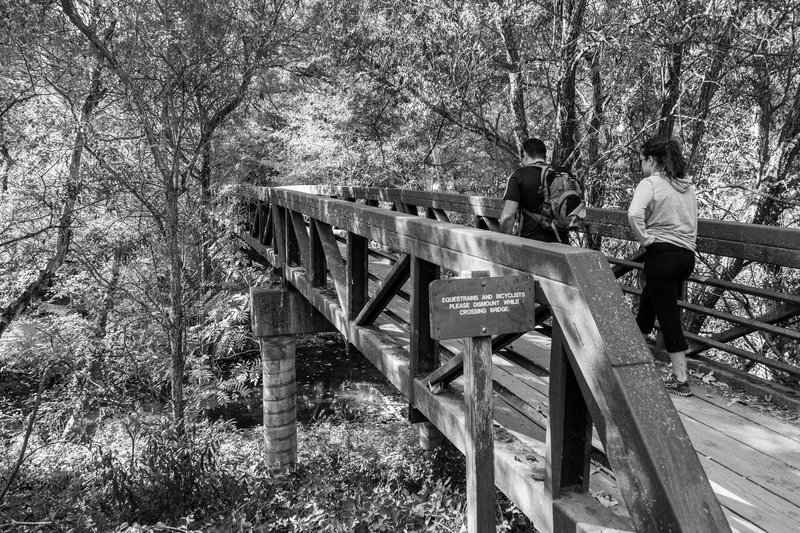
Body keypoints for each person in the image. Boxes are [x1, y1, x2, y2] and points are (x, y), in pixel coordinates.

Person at [627, 136, 697, 397]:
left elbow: (634, 214)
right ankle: (633, 357)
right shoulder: (686, 187)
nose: (641, 166)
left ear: (652, 160)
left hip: (662, 255)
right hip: (685, 258)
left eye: (642, 161)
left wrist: (646, 240)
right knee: (649, 302)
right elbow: (691, 222)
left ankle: (681, 380)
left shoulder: (651, 183)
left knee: (668, 318)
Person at [498, 138, 569, 243]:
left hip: (532, 244)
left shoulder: (519, 176)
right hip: (562, 242)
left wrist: (502, 242)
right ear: (544, 156)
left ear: (525, 156)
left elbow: (508, 217)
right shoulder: (559, 175)